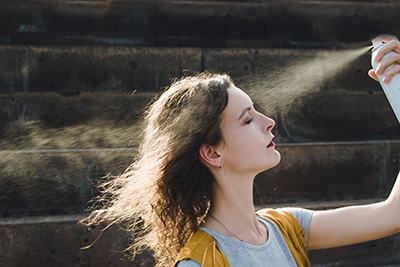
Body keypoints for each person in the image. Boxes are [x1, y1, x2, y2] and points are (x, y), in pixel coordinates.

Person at [82, 35, 400, 267]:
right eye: (248, 119)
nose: (269, 122)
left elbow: (392, 214)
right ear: (212, 153)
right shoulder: (201, 262)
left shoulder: (286, 227)